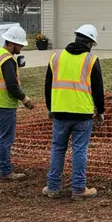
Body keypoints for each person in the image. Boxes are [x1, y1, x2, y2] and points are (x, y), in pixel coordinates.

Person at [43, 23, 105, 200]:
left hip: (60, 112)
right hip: (82, 114)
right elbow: (98, 89)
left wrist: (50, 108)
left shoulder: (56, 57)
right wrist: (100, 111)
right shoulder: (91, 60)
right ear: (90, 43)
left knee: (57, 149)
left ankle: (53, 188)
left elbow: (48, 86)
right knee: (79, 150)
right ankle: (78, 189)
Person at [0, 24, 34, 181]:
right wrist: (24, 99)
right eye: (20, 45)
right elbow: (12, 85)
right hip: (3, 104)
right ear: (11, 43)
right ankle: (4, 172)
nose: (21, 49)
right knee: (5, 138)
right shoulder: (8, 60)